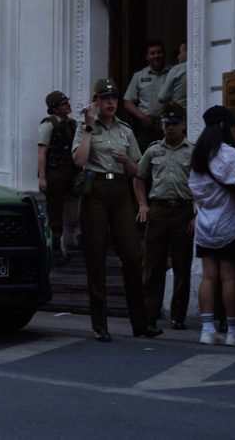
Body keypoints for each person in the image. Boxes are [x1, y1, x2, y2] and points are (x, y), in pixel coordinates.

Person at [72, 78, 161, 342]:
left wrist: (127, 162)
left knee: (133, 255)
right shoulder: (85, 127)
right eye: (105, 98)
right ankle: (100, 324)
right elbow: (79, 160)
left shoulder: (125, 130)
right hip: (95, 191)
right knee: (96, 257)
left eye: (114, 98)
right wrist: (88, 126)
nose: (110, 102)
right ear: (95, 101)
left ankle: (141, 323)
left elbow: (138, 171)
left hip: (121, 192)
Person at [188, 105, 235, 347]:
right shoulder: (228, 154)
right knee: (230, 278)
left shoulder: (198, 155)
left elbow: (194, 189)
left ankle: (207, 329)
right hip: (230, 223)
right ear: (225, 126)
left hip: (205, 224)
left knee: (208, 276)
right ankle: (234, 331)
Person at [133, 102, 193, 330]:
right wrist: (142, 204)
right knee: (153, 262)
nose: (170, 128)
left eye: (175, 124)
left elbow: (201, 183)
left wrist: (197, 213)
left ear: (184, 123)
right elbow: (139, 177)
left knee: (182, 263)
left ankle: (178, 315)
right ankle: (150, 310)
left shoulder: (192, 151)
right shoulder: (153, 150)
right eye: (166, 124)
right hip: (158, 209)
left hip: (183, 209)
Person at [38, 90, 78, 264]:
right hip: (55, 173)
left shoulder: (72, 124)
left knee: (73, 210)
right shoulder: (48, 124)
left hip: (70, 172)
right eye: (63, 104)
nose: (67, 105)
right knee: (55, 214)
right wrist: (42, 177)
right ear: (54, 108)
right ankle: (54, 250)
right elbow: (42, 151)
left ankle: (68, 245)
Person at [123, 40, 171, 152]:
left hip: (170, 125)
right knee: (141, 160)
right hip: (147, 128)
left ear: (164, 53)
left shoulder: (173, 73)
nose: (156, 56)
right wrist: (143, 117)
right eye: (152, 53)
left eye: (159, 52)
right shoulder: (139, 76)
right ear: (147, 56)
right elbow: (127, 102)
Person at [157, 43, 188, 112]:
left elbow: (162, 97)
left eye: (180, 53)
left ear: (188, 52)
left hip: (178, 115)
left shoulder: (177, 69)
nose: (178, 57)